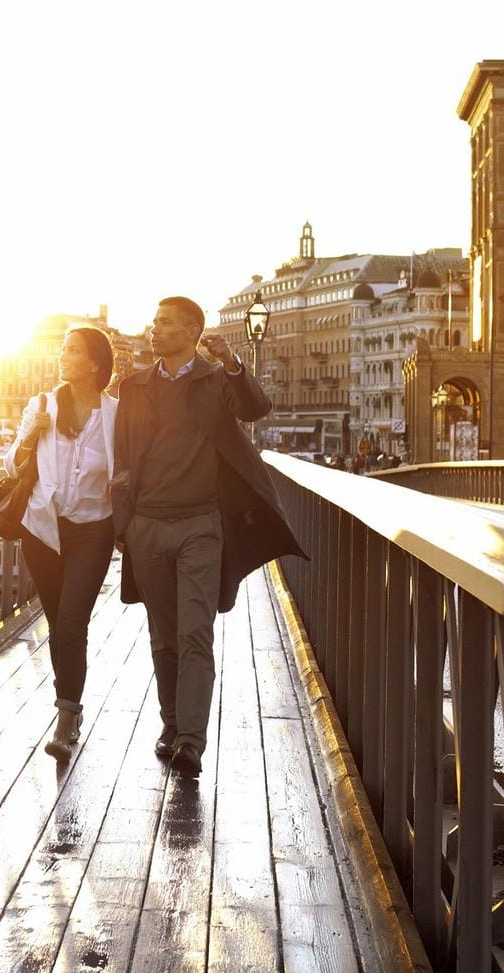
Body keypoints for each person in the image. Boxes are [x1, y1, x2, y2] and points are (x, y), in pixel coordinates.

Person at [113, 296, 305, 780]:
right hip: (148, 526)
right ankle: (171, 723)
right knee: (163, 636)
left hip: (201, 525)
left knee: (194, 631)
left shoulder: (217, 379)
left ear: (191, 330)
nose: (154, 329)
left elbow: (256, 408)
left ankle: (191, 742)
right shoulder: (134, 387)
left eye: (164, 323)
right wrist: (125, 526)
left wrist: (235, 363)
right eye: (154, 321)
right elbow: (122, 462)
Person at [6, 326, 118, 760]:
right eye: (63, 349)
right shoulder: (42, 405)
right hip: (42, 530)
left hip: (94, 528)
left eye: (73, 351)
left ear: (95, 363)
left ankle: (66, 718)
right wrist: (32, 434)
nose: (63, 357)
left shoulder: (115, 414)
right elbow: (13, 465)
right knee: (60, 626)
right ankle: (71, 705)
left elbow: (126, 470)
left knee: (72, 622)